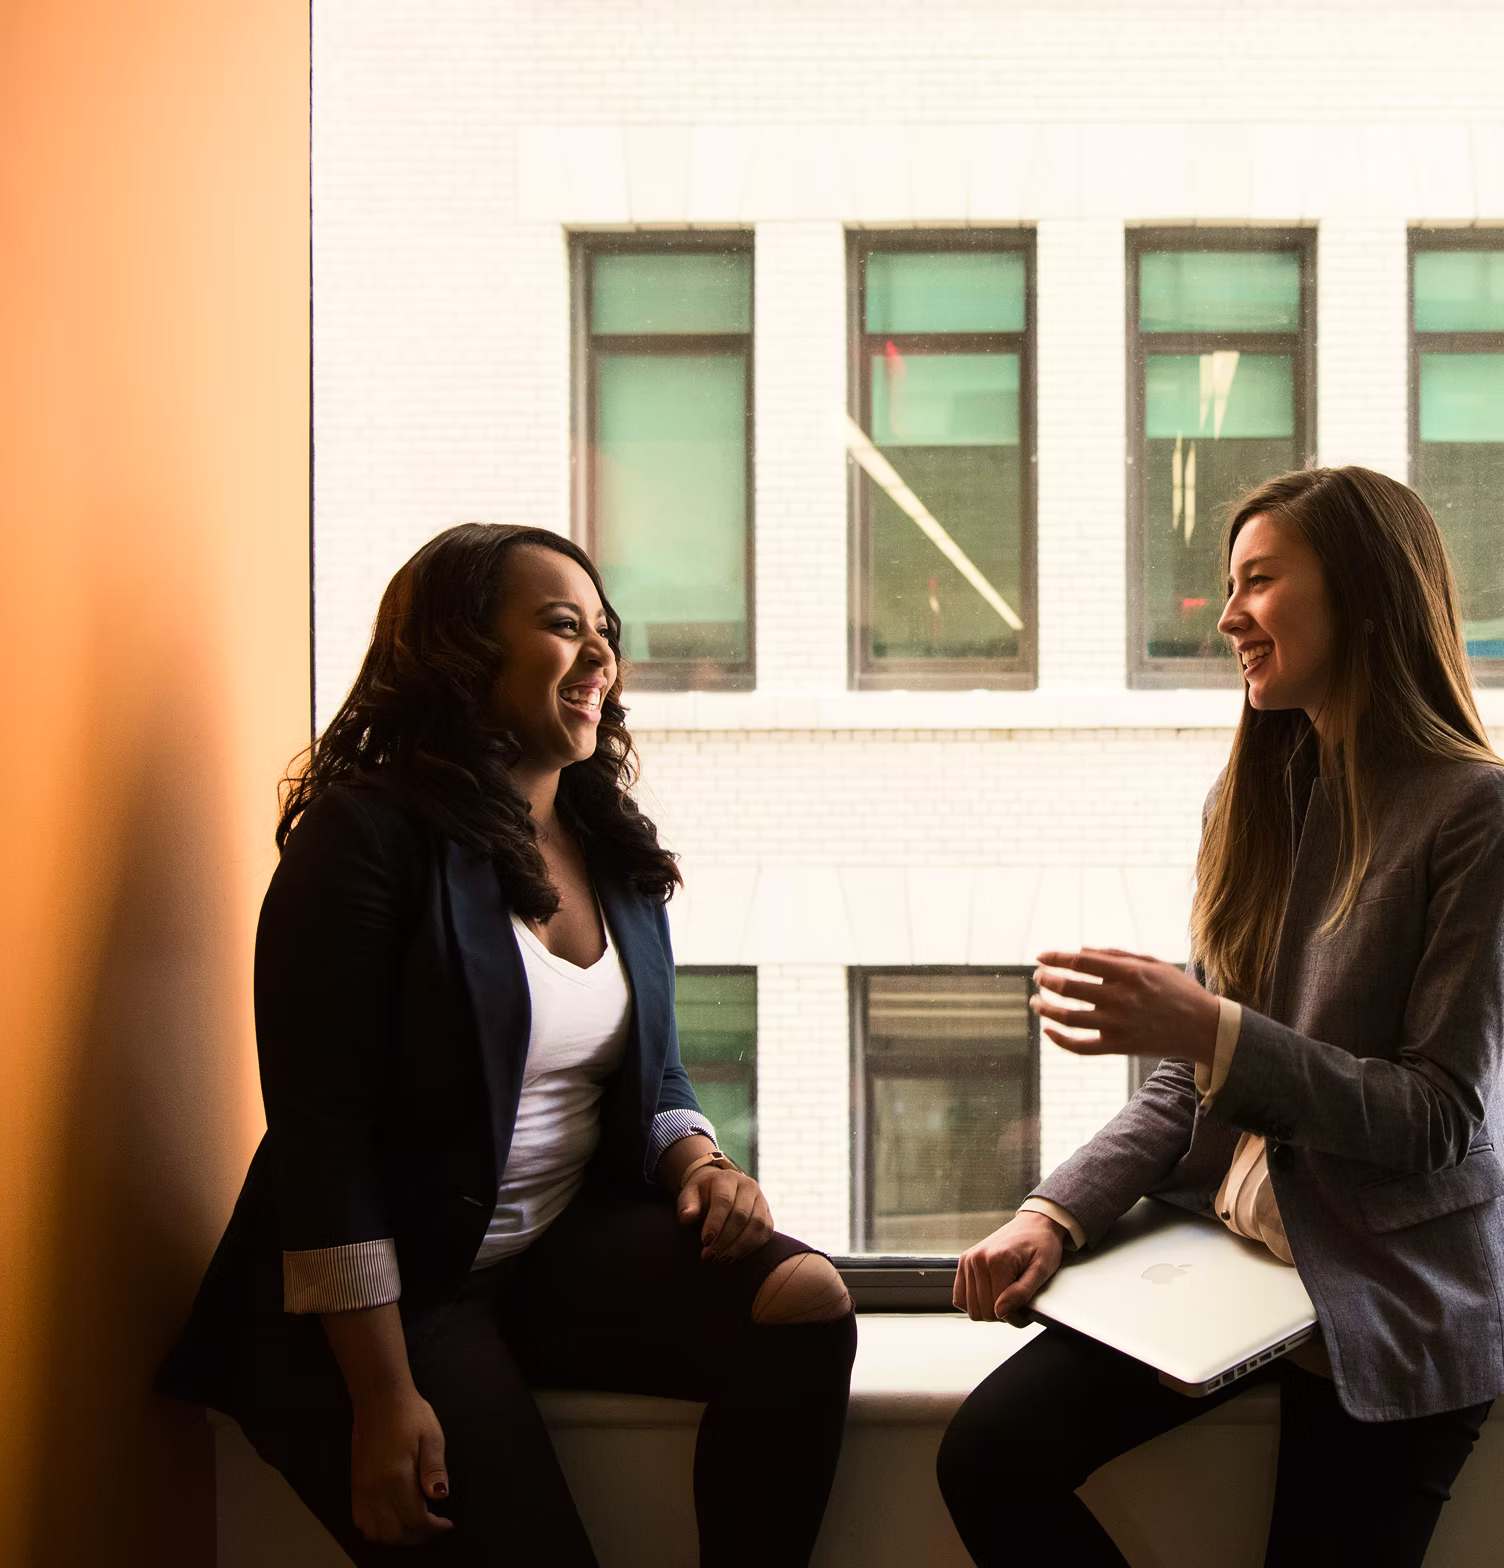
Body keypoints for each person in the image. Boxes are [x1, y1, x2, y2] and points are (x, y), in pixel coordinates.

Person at [158, 523, 856, 1567]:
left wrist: (698, 1159)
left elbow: (648, 1065)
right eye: (562, 626)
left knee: (804, 1303)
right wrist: (384, 1397)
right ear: (457, 649)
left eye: (606, 634)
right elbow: (325, 1139)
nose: (599, 657)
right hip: (387, 1301)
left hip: (538, 1253)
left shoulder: (608, 844)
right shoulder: (364, 838)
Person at [936, 467, 1504, 1568]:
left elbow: (1437, 1115)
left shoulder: (1474, 811)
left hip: (1390, 1292)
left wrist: (1210, 1030)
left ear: (1365, 593)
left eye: (1257, 580)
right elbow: (1183, 1085)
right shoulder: (1251, 795)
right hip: (1231, 1255)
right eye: (1226, 584)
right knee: (988, 1455)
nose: (1227, 614)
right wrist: (1052, 1215)